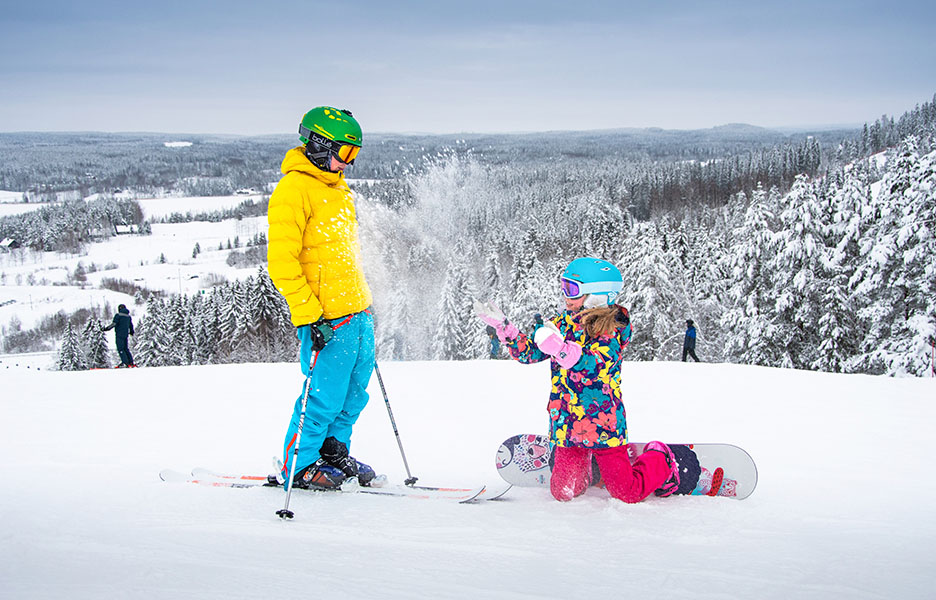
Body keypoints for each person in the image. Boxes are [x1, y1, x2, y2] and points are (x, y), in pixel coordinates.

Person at [475, 257, 680, 503]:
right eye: (564, 287)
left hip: (603, 423)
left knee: (627, 493)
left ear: (597, 295)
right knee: (563, 492)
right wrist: (505, 328)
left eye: (572, 289)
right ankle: (586, 468)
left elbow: (596, 365)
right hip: (568, 425)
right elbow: (530, 353)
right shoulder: (562, 323)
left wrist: (562, 350)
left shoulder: (611, 329)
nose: (565, 295)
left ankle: (661, 458)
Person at [267, 106, 376, 490]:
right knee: (322, 399)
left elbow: (342, 253)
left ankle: (333, 451)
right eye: (343, 153)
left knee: (353, 395)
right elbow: (282, 263)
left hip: (356, 312)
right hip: (326, 318)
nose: (347, 164)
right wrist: (308, 315)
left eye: (354, 155)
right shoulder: (293, 190)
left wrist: (364, 301)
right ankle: (298, 465)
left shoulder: (336, 188)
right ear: (317, 144)